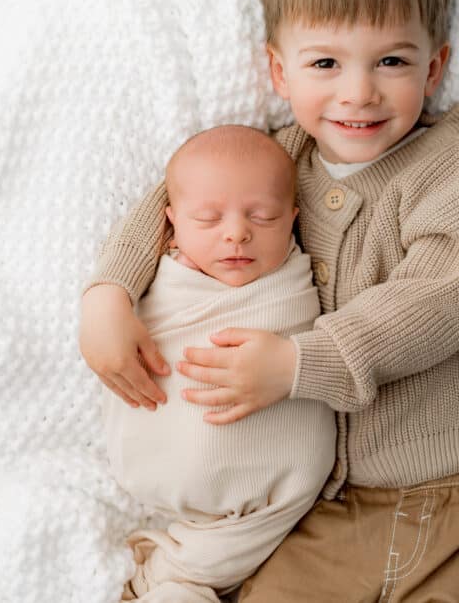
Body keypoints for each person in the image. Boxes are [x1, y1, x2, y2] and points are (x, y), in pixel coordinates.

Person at [80, 0, 459, 601]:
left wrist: (302, 361)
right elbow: (175, 202)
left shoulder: (452, 166)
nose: (358, 93)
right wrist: (109, 291)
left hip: (449, 502)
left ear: (435, 67)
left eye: (391, 61)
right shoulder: (274, 160)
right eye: (326, 64)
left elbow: (444, 295)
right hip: (313, 519)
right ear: (279, 72)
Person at [99, 125, 335, 602]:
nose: (237, 234)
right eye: (207, 219)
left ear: (293, 218)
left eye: (264, 216)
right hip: (172, 455)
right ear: (171, 224)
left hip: (278, 483)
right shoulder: (166, 275)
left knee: (208, 568)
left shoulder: (293, 274)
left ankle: (174, 578)